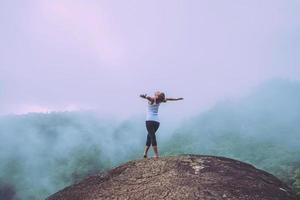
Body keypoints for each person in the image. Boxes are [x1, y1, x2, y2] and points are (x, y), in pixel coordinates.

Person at [140, 91, 184, 159]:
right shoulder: (160, 100)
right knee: (149, 136)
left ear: (156, 95)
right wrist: (177, 99)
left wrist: (145, 97)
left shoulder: (153, 99)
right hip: (157, 122)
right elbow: (169, 99)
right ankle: (145, 153)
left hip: (149, 121)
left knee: (152, 137)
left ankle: (156, 155)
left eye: (156, 93)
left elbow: (149, 98)